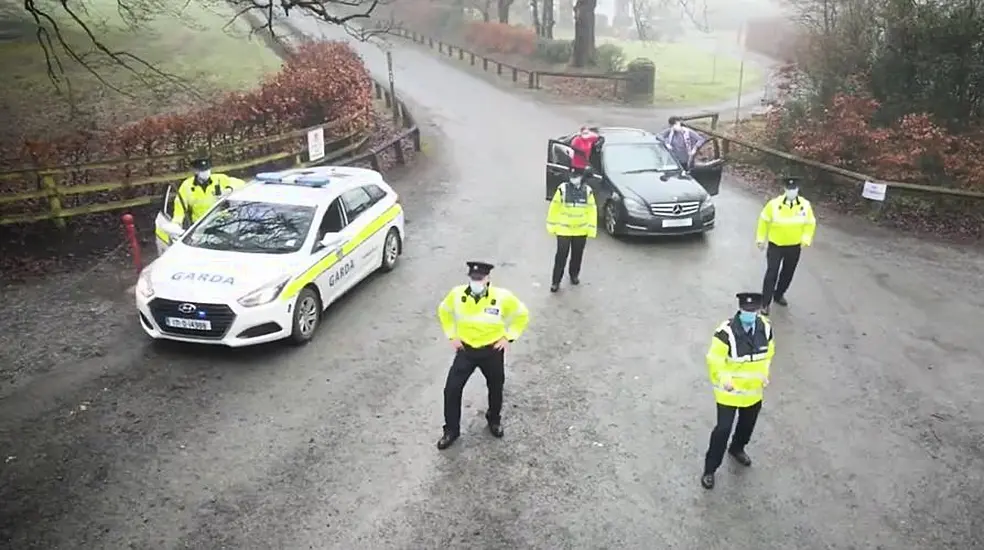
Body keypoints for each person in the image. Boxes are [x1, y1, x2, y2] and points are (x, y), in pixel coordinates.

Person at [436, 261, 530, 450]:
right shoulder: (457, 295)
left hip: (492, 350)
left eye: (480, 279)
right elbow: (444, 311)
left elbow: (522, 314)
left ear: (487, 279)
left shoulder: (502, 297)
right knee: (451, 390)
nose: (476, 282)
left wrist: (508, 338)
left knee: (496, 388)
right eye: (473, 279)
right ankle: (451, 430)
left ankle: (494, 420)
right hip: (466, 350)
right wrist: (451, 335)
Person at [701, 292, 775, 490]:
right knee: (722, 429)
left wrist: (765, 372)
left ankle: (737, 448)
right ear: (740, 310)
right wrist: (724, 378)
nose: (750, 314)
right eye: (746, 311)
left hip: (753, 392)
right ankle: (710, 469)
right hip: (729, 392)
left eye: (754, 311)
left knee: (747, 424)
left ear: (759, 311)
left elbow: (769, 352)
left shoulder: (765, 328)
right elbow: (714, 358)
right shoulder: (726, 331)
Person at [756, 176, 817, 315]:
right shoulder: (774, 204)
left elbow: (810, 223)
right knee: (772, 273)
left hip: (794, 246)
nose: (792, 191)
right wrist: (760, 239)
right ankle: (765, 303)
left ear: (798, 189)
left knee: (788, 273)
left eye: (794, 189)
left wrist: (806, 239)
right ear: (785, 189)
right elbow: (763, 221)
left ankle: (779, 294)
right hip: (776, 244)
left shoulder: (804, 205)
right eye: (789, 189)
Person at [546, 166, 598, 292]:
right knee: (561, 256)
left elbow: (592, 210)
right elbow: (554, 208)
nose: (574, 179)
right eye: (573, 176)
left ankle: (574, 275)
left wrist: (591, 229)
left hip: (581, 230)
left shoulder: (587, 191)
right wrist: (552, 226)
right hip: (564, 229)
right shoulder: (563, 189)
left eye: (577, 177)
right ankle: (555, 282)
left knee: (577, 255)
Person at [171, 154, 247, 227]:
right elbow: (179, 205)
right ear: (196, 171)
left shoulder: (219, 179)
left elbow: (241, 183)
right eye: (202, 170)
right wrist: (177, 222)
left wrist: (228, 190)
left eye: (207, 169)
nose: (206, 172)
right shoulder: (187, 185)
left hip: (222, 221)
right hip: (200, 224)